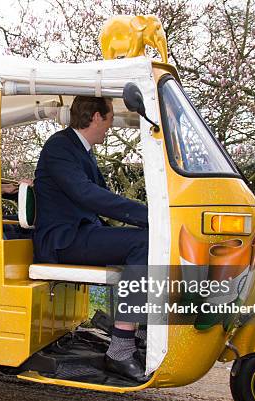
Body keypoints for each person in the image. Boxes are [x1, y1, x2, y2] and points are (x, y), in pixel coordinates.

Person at [33, 96, 149, 382]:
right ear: (95, 117)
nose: (109, 127)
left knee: (147, 241)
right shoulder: (59, 146)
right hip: (62, 239)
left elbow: (104, 197)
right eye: (109, 120)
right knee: (143, 242)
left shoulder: (82, 151)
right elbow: (87, 195)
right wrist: (150, 216)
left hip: (80, 232)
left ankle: (141, 331)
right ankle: (121, 349)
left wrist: (147, 217)